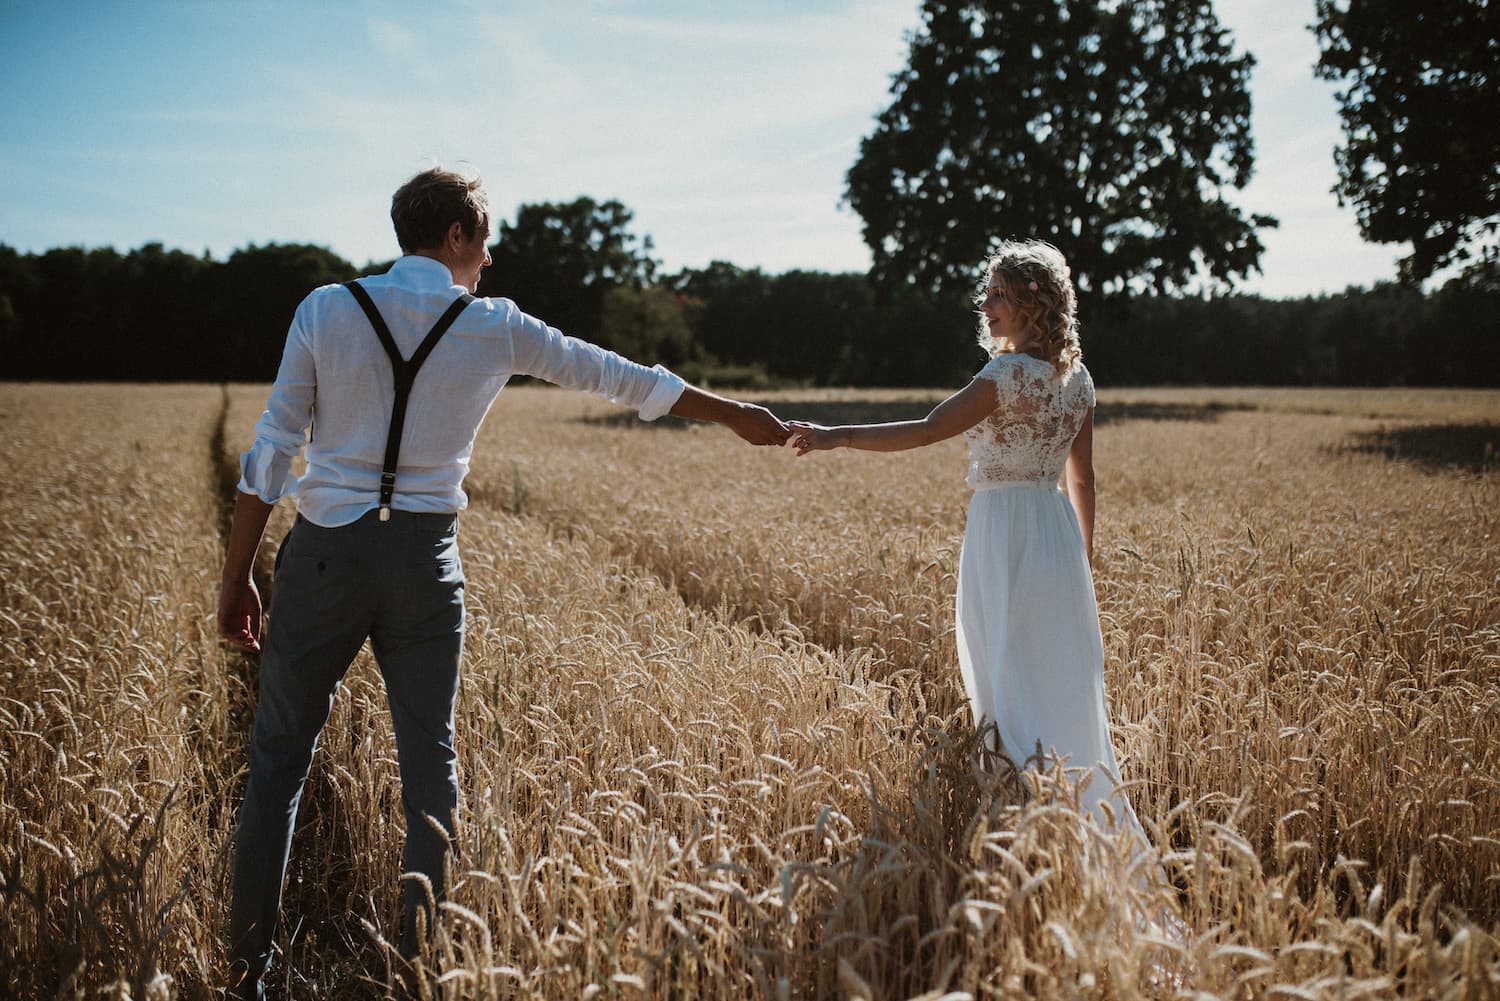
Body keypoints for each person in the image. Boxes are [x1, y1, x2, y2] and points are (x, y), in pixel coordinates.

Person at [218, 165, 790, 999]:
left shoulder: (326, 308)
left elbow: (270, 456)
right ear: (455, 236)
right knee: (431, 771)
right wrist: (735, 413)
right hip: (423, 565)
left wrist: (237, 578)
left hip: (323, 559)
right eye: (484, 243)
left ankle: (247, 974)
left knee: (276, 763)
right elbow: (620, 376)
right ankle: (416, 972)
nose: (488, 262)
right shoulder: (495, 327)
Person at [789, 240, 1144, 838]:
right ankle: (1068, 815)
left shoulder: (1004, 375)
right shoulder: (1078, 381)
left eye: (999, 295)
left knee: (1006, 672)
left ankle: (1023, 816)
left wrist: (837, 435)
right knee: (1052, 674)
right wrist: (1082, 558)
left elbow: (929, 429)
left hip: (1003, 534)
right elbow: (1082, 478)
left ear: (1036, 305)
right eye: (989, 294)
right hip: (1055, 534)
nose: (986, 306)